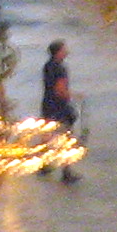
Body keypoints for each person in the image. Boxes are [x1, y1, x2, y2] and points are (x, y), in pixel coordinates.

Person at [37, 41, 82, 185]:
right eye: (64, 50)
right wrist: (74, 96)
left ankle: (44, 164)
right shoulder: (61, 68)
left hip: (47, 104)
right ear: (58, 52)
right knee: (65, 138)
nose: (66, 52)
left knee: (47, 135)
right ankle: (66, 172)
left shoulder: (47, 65)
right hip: (60, 107)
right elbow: (60, 90)